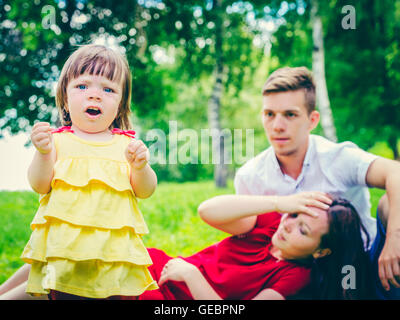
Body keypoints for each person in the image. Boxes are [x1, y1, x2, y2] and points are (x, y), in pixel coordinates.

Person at [0, 44, 158, 300]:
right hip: (66, 258)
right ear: (65, 96)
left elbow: (146, 190)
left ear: (119, 104)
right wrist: (42, 153)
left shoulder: (126, 145)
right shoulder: (57, 141)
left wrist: (141, 167)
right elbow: (40, 184)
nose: (94, 95)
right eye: (82, 86)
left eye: (108, 89)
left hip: (114, 258)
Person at [233, 66, 400, 299]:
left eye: (290, 114)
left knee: (389, 205)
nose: (277, 126)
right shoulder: (250, 177)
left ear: (312, 120)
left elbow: (396, 173)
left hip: (365, 265)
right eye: (269, 114)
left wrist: (395, 239)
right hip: (299, 277)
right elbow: (246, 244)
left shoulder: (338, 158)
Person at [137, 193, 374, 300]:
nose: (289, 226)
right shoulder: (273, 226)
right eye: (293, 216)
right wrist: (278, 203)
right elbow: (207, 211)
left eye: (303, 230)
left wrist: (192, 275)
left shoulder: (296, 277)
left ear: (320, 251)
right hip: (159, 270)